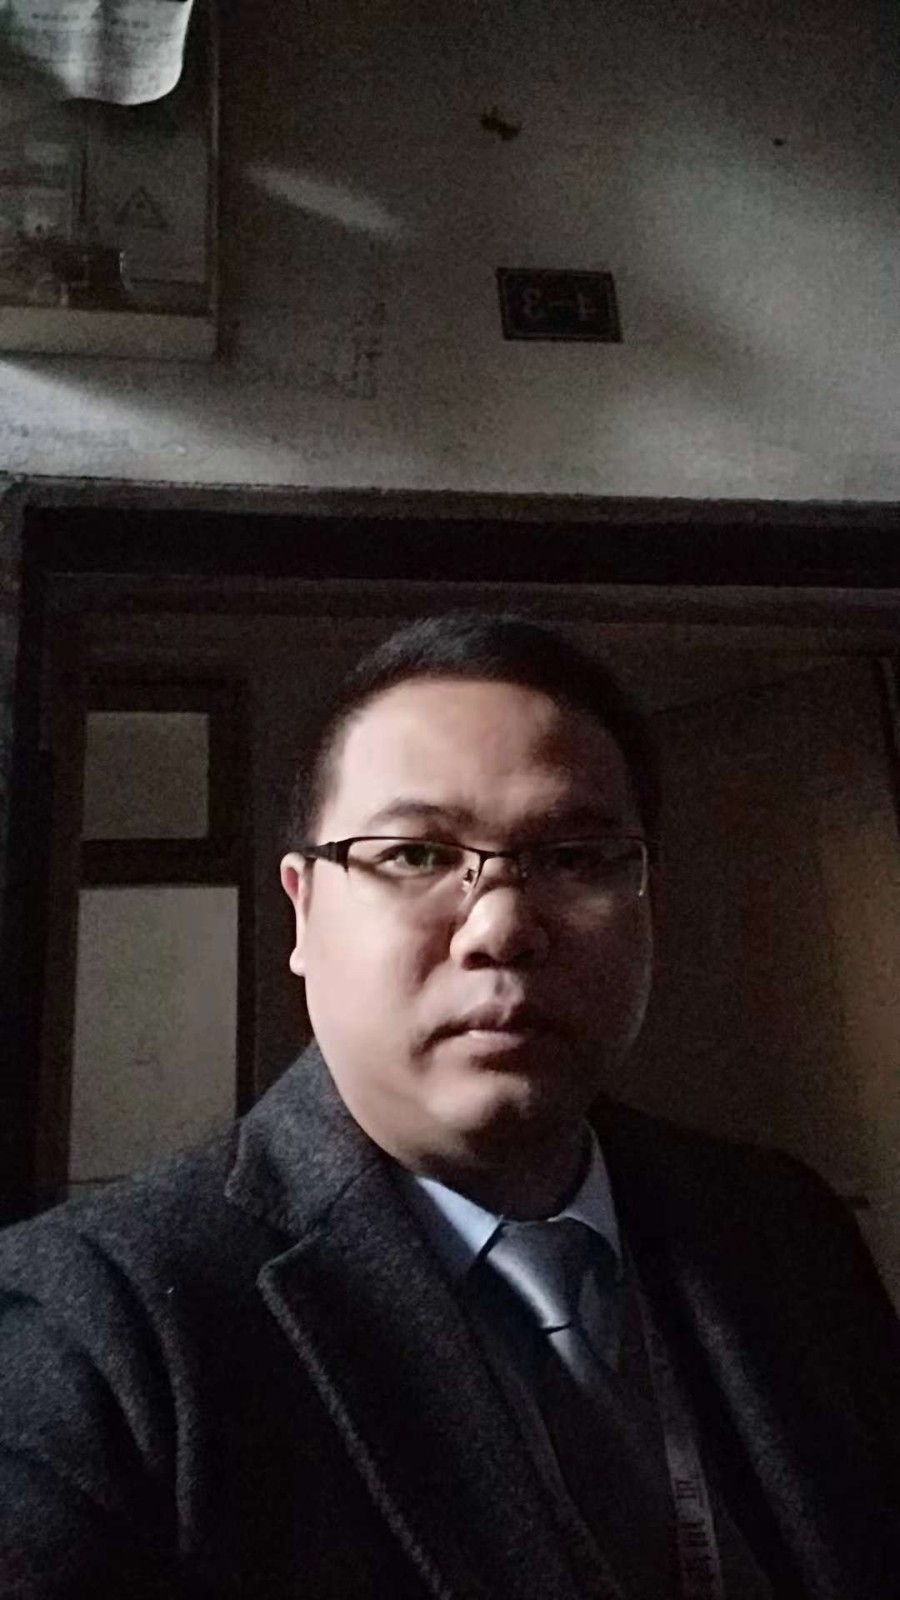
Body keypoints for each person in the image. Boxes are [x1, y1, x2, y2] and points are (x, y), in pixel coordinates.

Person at [1, 612, 898, 1600]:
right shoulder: (96, 1328)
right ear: (303, 908)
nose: (502, 925)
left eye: (575, 856)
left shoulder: (782, 1227)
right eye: (417, 855)